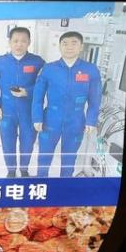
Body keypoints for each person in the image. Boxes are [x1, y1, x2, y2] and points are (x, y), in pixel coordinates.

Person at [32, 31, 102, 177]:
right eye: (65, 43)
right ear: (59, 46)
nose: (69, 46)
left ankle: (65, 187)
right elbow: (37, 97)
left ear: (81, 46)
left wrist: (91, 120)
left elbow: (95, 99)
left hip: (76, 120)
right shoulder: (48, 69)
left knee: (69, 158)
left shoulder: (91, 70)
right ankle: (41, 183)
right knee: (44, 156)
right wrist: (37, 117)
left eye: (74, 43)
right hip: (50, 119)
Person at [0, 27, 45, 177]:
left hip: (29, 110)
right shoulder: (0, 61)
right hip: (7, 110)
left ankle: (24, 169)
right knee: (8, 141)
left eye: (23, 41)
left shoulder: (37, 62)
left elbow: (44, 85)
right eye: (15, 41)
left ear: (29, 43)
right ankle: (11, 170)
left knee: (27, 141)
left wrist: (28, 91)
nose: (19, 44)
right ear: (9, 42)